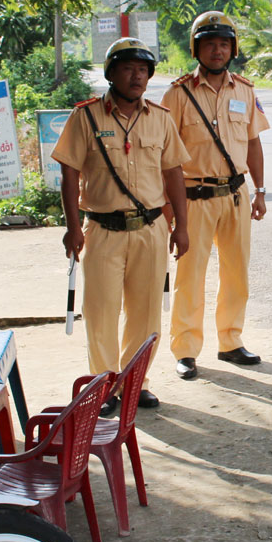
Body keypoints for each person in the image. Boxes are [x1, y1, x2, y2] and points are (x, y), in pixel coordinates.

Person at [53, 37, 190, 414]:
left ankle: (134, 384)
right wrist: (72, 226)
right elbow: (69, 173)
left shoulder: (161, 119)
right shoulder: (86, 117)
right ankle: (103, 387)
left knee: (146, 315)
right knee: (101, 312)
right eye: (129, 68)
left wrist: (181, 226)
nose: (137, 76)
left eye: (144, 70)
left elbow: (174, 172)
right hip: (102, 230)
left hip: (151, 229)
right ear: (112, 73)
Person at [160, 11, 270, 381]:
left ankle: (231, 341)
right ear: (196, 48)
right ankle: (186, 350)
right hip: (193, 197)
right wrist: (167, 207)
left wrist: (261, 192)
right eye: (210, 44)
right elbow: (163, 154)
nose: (218, 50)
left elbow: (253, 144)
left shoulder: (245, 90)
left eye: (224, 44)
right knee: (191, 275)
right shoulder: (177, 94)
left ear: (233, 48)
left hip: (236, 196)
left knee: (237, 273)